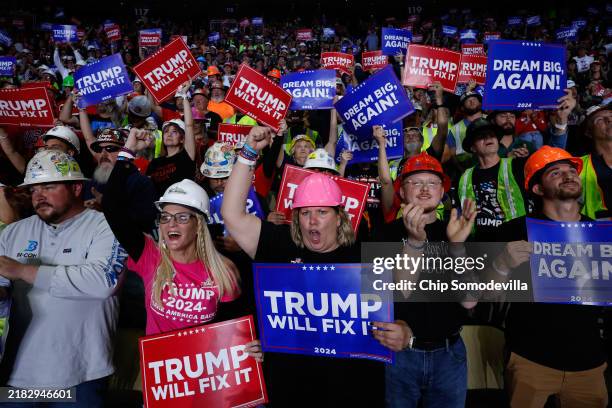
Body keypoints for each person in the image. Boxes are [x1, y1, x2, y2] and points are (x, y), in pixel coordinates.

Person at [221, 126, 384, 407]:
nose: (312, 221)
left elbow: (394, 321)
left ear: (339, 217)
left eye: (322, 212)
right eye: (305, 213)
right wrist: (249, 153)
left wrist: (403, 334)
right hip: (288, 389)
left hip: (347, 392)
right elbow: (232, 215)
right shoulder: (280, 244)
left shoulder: (363, 258)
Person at [102, 139, 262, 363]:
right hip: (163, 380)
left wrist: (250, 346)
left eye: (182, 217)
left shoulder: (224, 271)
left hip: (207, 373)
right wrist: (126, 153)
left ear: (199, 225)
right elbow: (112, 206)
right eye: (165, 217)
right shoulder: (151, 256)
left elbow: (235, 330)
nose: (171, 224)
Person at [0, 150, 127, 407]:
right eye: (34, 189)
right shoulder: (12, 233)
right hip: (18, 374)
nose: (39, 196)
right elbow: (3, 293)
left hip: (81, 375)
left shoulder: (107, 226)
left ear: (77, 187)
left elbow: (105, 281)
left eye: (49, 186)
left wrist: (23, 271)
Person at [491, 146, 607, 408]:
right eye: (556, 172)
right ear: (537, 189)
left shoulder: (600, 233)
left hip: (589, 362)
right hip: (531, 360)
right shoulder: (513, 231)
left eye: (571, 171)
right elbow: (486, 293)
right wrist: (502, 264)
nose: (568, 176)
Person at [372, 152, 477, 408]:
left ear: (442, 191)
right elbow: (396, 292)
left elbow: (470, 302)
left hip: (449, 355)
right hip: (398, 356)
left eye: (432, 183)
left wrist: (457, 247)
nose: (424, 189)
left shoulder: (458, 230)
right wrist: (416, 243)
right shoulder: (382, 235)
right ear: (402, 192)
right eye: (415, 183)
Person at [146, 83, 196, 196]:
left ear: (182, 139)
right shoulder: (155, 163)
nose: (169, 134)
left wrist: (183, 95)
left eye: (174, 132)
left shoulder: (186, 155)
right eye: (166, 131)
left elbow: (189, 125)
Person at [580, 104, 611, 220]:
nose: (609, 119)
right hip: (597, 234)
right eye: (599, 119)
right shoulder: (578, 167)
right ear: (588, 132)